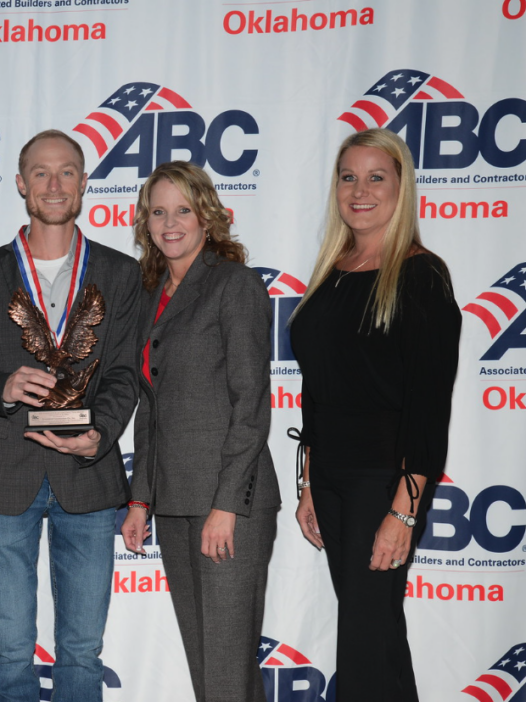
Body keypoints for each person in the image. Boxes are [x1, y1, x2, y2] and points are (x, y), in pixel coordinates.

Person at [0, 129, 141, 702]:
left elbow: (126, 375)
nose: (54, 185)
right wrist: (3, 386)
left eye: (66, 172)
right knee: (9, 645)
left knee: (82, 648)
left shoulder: (121, 272)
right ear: (20, 184)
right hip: (8, 474)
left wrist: (100, 434)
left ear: (84, 183)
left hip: (88, 475)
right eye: (40, 172)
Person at [289, 128, 461, 701]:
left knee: (365, 639)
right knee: (375, 637)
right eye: (348, 177)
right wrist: (311, 479)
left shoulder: (419, 275)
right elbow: (320, 387)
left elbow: (430, 405)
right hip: (333, 478)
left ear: (401, 187)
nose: (360, 190)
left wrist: (404, 512)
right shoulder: (333, 271)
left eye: (376, 177)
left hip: (383, 481)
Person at [120, 161, 280, 702]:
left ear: (207, 217)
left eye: (182, 210)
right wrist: (141, 498)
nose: (170, 223)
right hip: (174, 503)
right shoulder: (152, 293)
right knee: (209, 665)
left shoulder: (234, 285)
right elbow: (151, 408)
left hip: (229, 505)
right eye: (158, 212)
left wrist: (227, 505)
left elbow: (252, 405)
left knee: (227, 668)